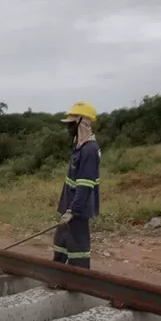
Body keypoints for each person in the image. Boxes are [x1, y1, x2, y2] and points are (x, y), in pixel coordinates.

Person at [52, 101, 101, 269]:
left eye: (71, 124)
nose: (68, 128)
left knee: (78, 250)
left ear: (82, 123)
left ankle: (79, 283)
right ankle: (57, 274)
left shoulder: (89, 150)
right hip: (69, 207)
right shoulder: (79, 147)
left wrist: (73, 211)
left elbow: (85, 186)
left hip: (77, 211)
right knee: (61, 243)